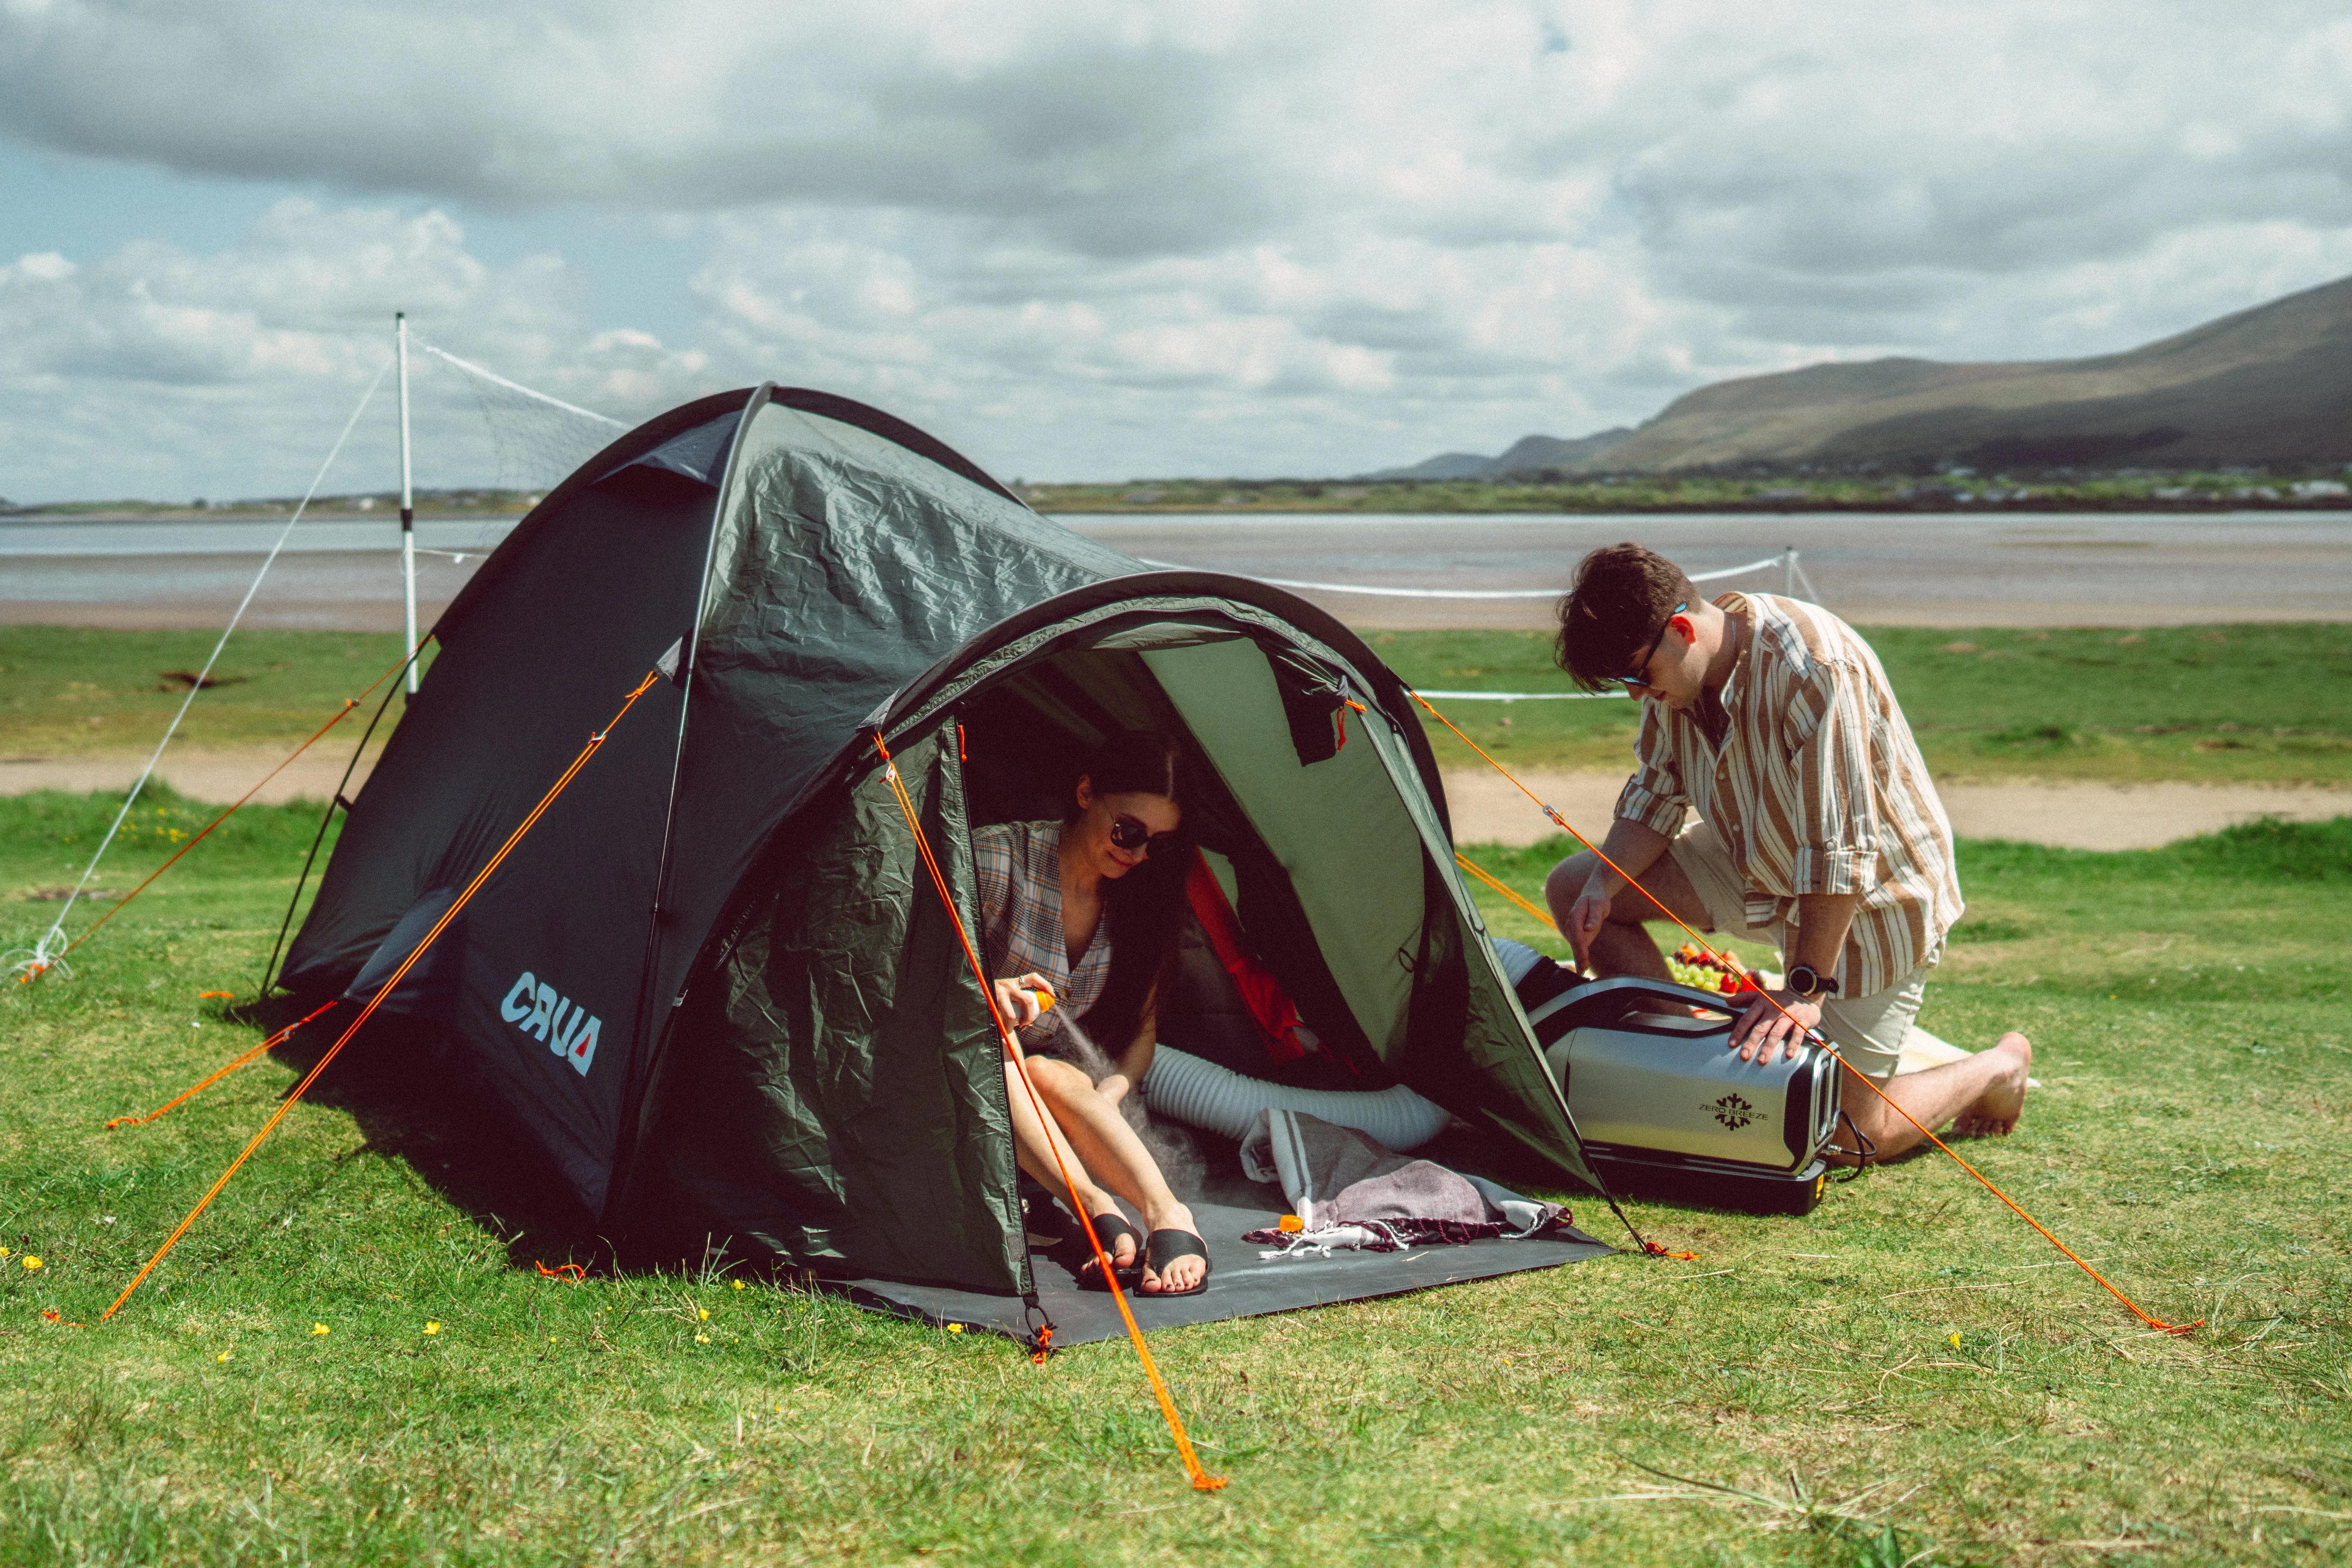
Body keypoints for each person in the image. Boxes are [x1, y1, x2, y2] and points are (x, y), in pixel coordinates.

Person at [1543, 543, 2031, 1161]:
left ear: (1683, 630)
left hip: (1870, 899)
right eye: (1624, 684)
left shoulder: (1816, 665)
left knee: (1851, 1137)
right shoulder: (1679, 679)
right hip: (1754, 863)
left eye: (1639, 676)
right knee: (1575, 884)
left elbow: (1841, 849)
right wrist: (1601, 889)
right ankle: (1697, 1061)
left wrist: (1804, 987)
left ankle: (1999, 1067)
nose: (1638, 695)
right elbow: (1655, 795)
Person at [973, 730, 1210, 1295]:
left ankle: (1167, 1216)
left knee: (1046, 1071)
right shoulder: (994, 860)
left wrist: (1109, 1097)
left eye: (1158, 843)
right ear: (1085, 793)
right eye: (1127, 830)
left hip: (1062, 1093)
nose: (1137, 852)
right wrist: (989, 989)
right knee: (1006, 1059)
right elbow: (914, 978)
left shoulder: (1145, 897)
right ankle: (1095, 1205)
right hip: (968, 1080)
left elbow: (1143, 1034)